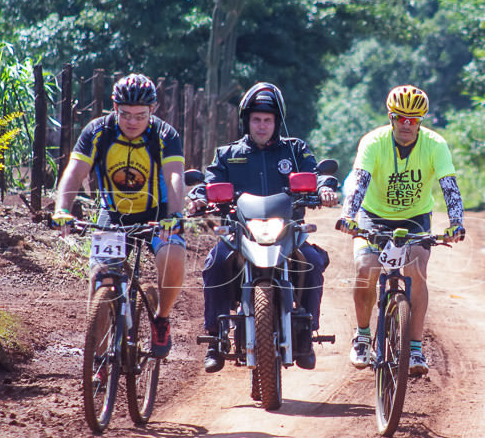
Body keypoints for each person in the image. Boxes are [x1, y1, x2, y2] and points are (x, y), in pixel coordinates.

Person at [189, 82, 339, 373]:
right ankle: (216, 339)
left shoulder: (295, 150)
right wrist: (198, 197)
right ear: (246, 121)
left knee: (314, 261)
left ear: (277, 122)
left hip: (288, 232)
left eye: (267, 120)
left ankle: (306, 333)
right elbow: (209, 183)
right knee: (214, 263)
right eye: (256, 119)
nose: (261, 125)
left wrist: (324, 189)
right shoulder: (227, 154)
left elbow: (316, 174)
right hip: (239, 234)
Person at [52, 73, 186, 358]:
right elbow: (74, 173)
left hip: (157, 215)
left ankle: (161, 319)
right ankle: (98, 357)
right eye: (125, 114)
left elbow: (175, 177)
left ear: (153, 110)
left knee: (173, 254)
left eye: (140, 115)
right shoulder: (97, 131)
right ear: (114, 108)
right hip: (113, 214)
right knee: (100, 277)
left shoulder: (165, 135)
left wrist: (175, 215)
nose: (132, 122)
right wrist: (61, 209)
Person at [336, 85, 466, 376]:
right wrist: (348, 215)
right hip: (373, 215)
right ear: (391, 117)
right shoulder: (373, 142)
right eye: (401, 118)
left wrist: (456, 222)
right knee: (365, 268)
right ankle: (362, 336)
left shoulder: (435, 144)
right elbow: (359, 181)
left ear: (422, 120)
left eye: (413, 119)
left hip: (414, 217)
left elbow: (449, 186)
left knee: (417, 269)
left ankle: (416, 348)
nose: (407, 125)